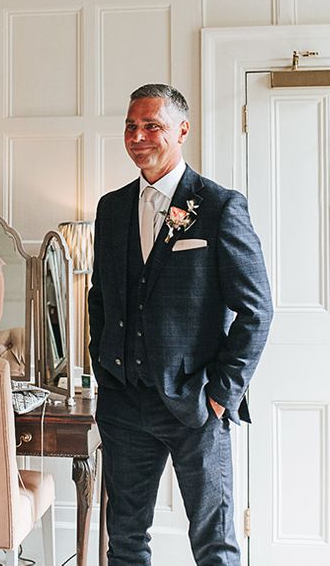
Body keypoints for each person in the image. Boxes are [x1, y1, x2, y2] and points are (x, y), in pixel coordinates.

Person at [88, 83, 273, 565]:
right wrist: (105, 369)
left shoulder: (219, 207)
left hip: (196, 403)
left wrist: (221, 392)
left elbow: (257, 310)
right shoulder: (110, 208)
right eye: (131, 126)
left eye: (152, 125)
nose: (138, 136)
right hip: (124, 403)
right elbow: (101, 298)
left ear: (182, 130)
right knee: (125, 539)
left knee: (214, 541)